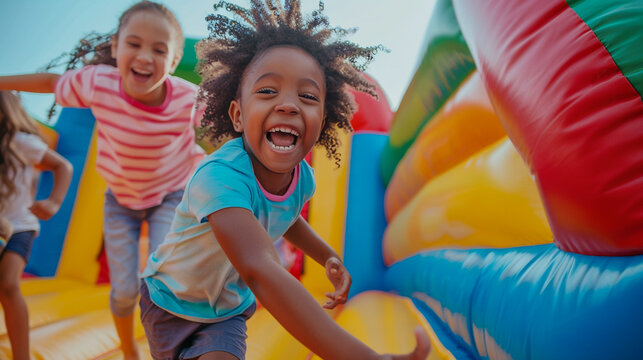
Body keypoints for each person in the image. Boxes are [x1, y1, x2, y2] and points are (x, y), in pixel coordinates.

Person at [139, 1, 432, 359]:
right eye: (267, 91)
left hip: (224, 313)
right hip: (169, 303)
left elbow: (287, 215)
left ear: (322, 120)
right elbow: (259, 269)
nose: (289, 105)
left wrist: (326, 257)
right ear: (238, 115)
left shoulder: (302, 179)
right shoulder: (218, 177)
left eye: (307, 97)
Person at [0, 2, 204, 358]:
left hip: (171, 194)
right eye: (134, 44)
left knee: (163, 278)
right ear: (116, 47)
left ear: (173, 62)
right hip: (121, 201)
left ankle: (174, 347)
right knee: (124, 291)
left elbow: (234, 116)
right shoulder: (98, 83)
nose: (144, 57)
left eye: (159, 50)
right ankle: (128, 348)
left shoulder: (189, 99)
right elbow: (51, 83)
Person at [0, 91, 73, 360]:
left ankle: (21, 355)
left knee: (7, 285)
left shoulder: (21, 142)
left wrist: (53, 202)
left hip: (20, 226)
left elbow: (63, 166)